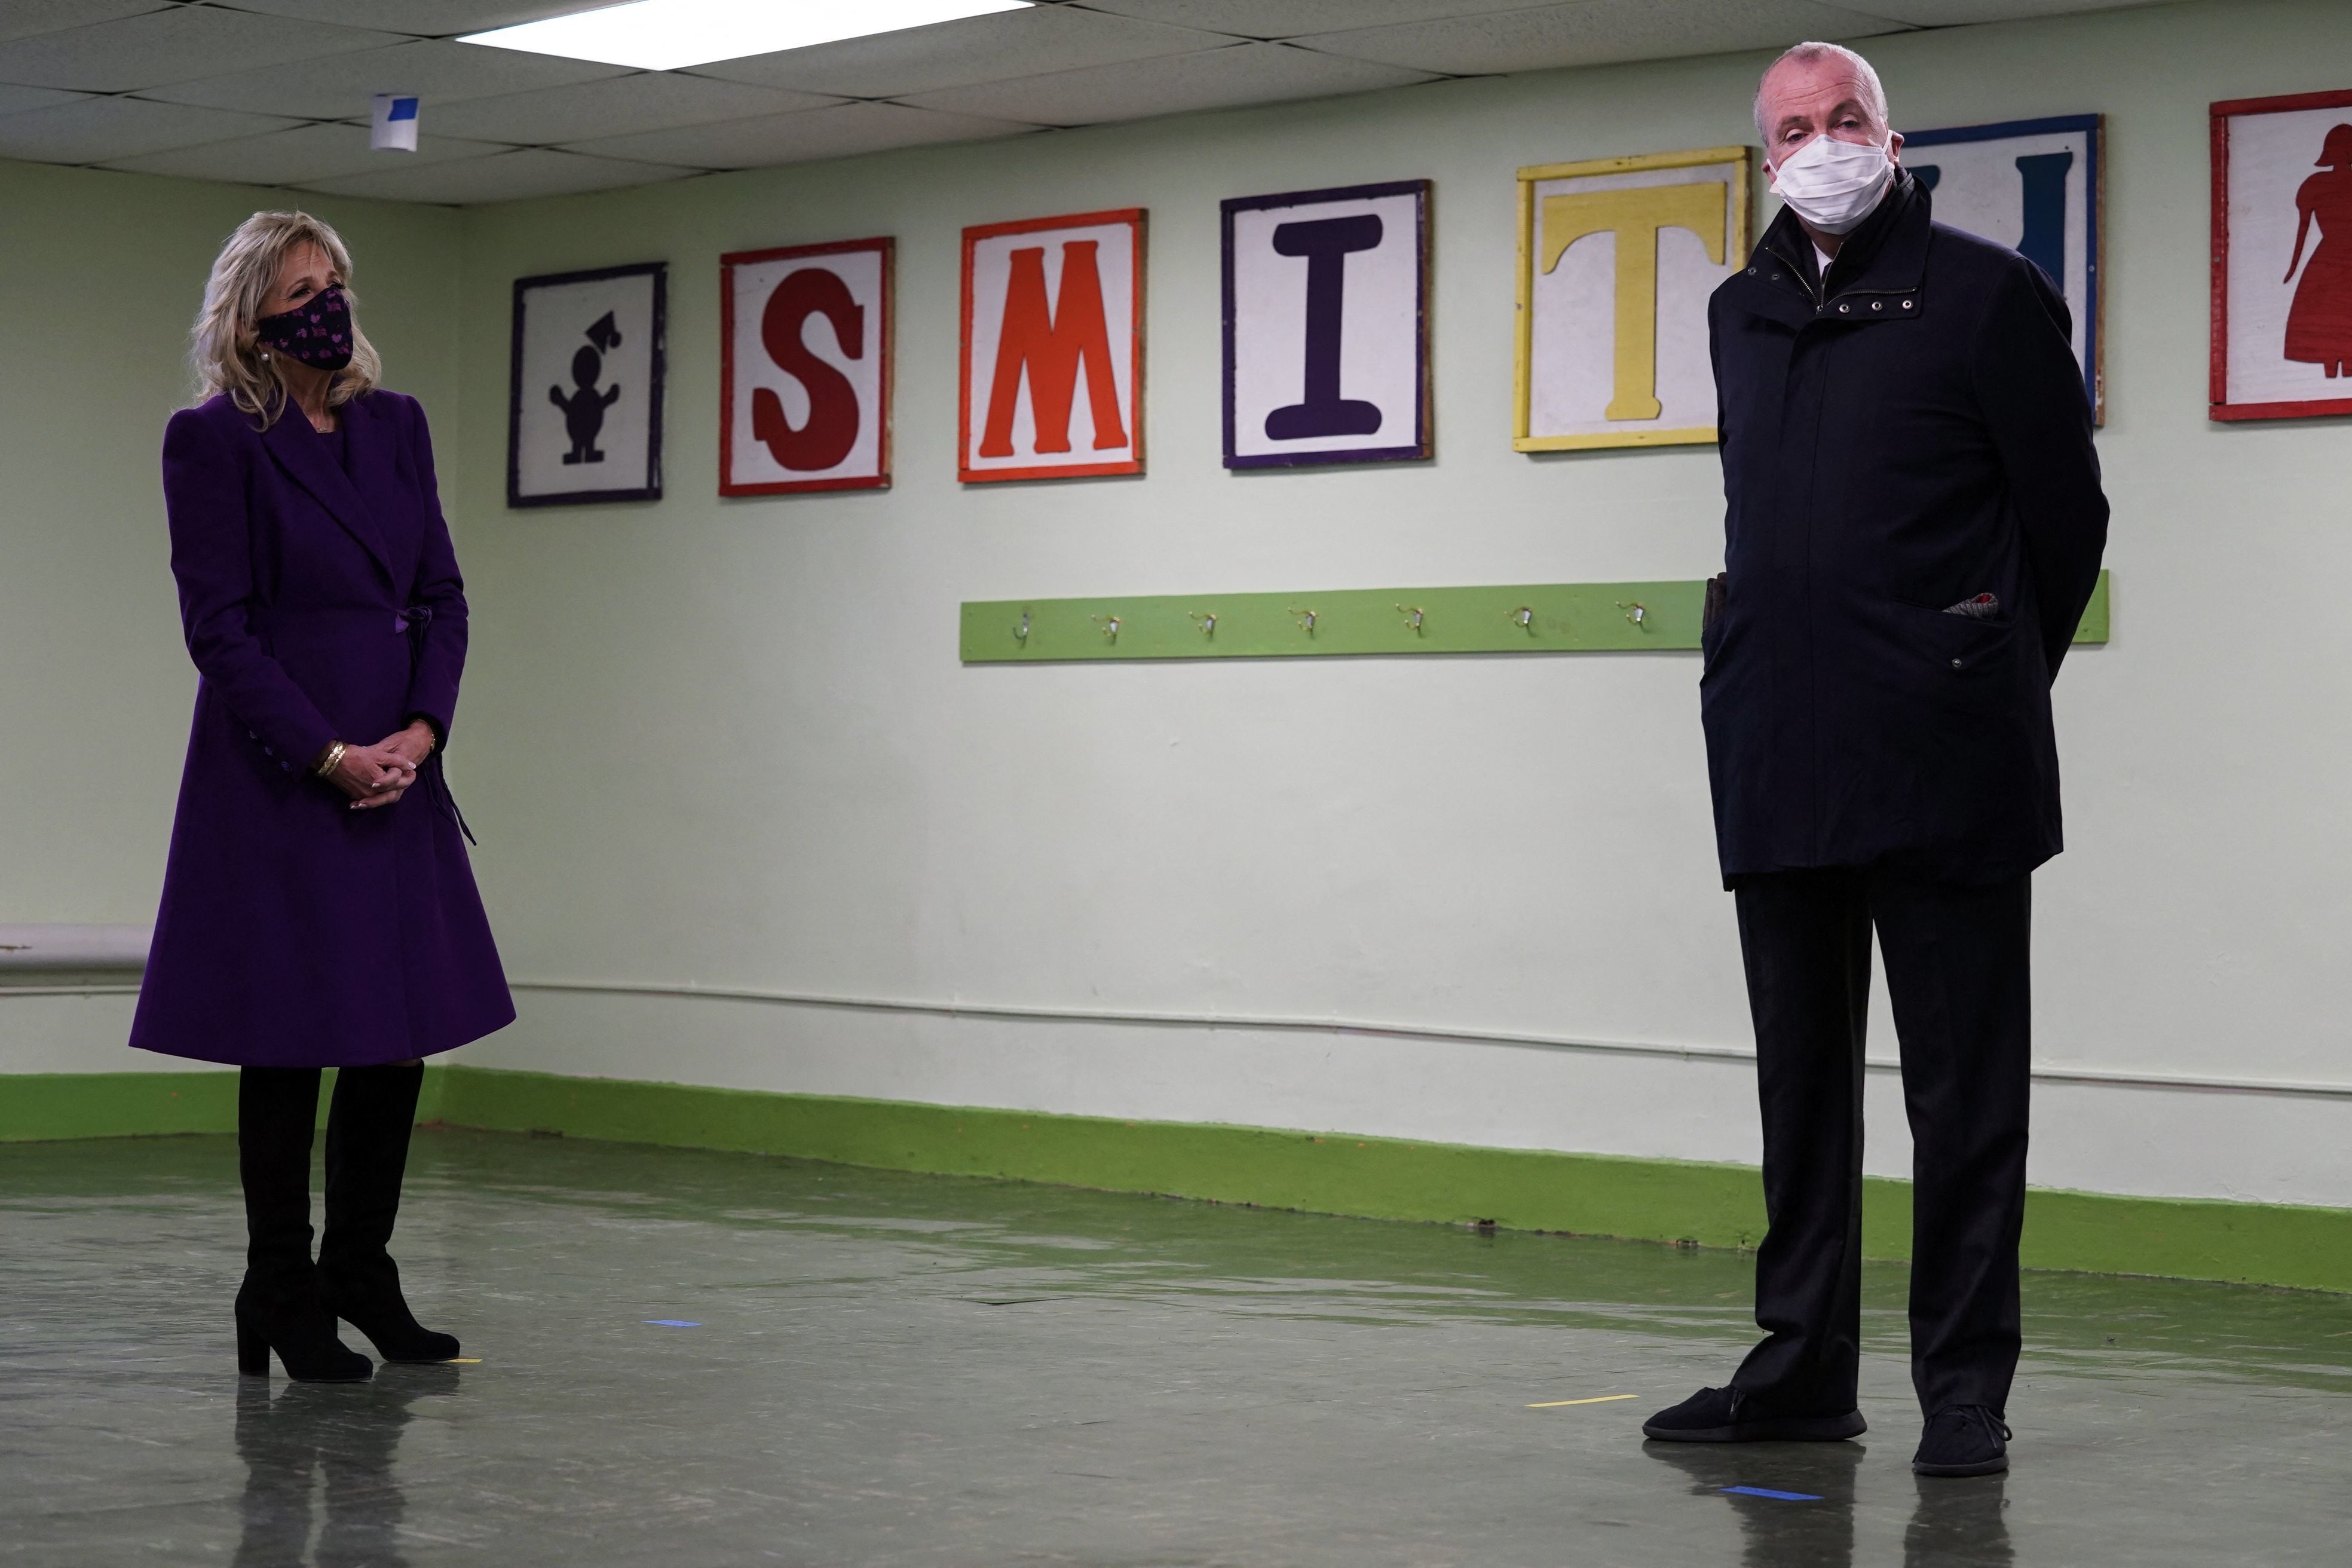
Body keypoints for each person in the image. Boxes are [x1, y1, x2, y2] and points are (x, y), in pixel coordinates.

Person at [1642, 44, 2108, 1477]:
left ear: (1890, 137)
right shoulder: (1739, 310)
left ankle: (1963, 1389)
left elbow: (2067, 522)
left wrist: (1977, 659)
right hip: (1780, 743)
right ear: (1764, 155)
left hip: (1946, 751)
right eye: (1794, 127)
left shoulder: (1985, 295)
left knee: (1964, 1098)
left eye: (1844, 118)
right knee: (1802, 1087)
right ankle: (1799, 1370)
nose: (1821, 142)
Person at [130, 212, 514, 1382]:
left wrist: (420, 729)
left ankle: (362, 1270)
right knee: (291, 1038)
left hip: (398, 767)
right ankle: (278, 1284)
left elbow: (442, 594)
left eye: (336, 282)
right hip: (284, 774)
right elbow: (221, 630)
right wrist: (327, 752)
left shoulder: (397, 427)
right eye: (303, 288)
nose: (328, 306)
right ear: (251, 318)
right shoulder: (214, 441)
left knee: (391, 1038)